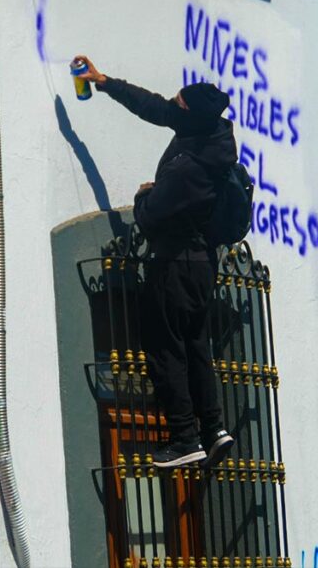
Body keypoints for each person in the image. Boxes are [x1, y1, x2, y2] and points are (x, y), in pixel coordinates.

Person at [74, 55, 236, 469]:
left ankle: (184, 437)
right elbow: (155, 107)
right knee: (196, 347)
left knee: (166, 350)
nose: (171, 103)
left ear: (190, 115)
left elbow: (149, 217)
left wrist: (148, 192)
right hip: (202, 265)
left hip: (176, 266)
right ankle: (214, 429)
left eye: (178, 102)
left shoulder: (189, 170)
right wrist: (105, 81)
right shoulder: (208, 137)